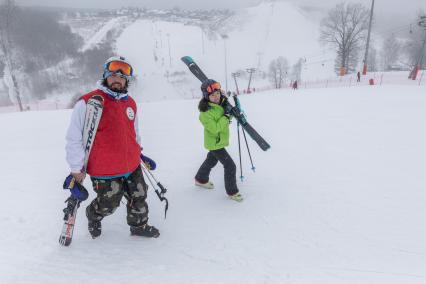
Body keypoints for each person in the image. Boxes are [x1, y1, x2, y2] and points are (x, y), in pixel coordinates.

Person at [65, 56, 159, 239]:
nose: (118, 79)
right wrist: (76, 168)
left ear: (127, 80)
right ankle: (93, 215)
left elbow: (134, 132)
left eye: (122, 76)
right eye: (113, 75)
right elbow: (73, 138)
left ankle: (139, 226)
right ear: (106, 75)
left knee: (139, 196)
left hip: (132, 165)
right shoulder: (88, 102)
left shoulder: (130, 103)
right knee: (109, 203)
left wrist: (139, 153)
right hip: (104, 169)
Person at [194, 79, 243, 202]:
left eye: (217, 93)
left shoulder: (220, 104)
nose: (216, 97)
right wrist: (227, 116)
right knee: (230, 165)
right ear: (206, 97)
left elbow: (225, 114)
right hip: (215, 143)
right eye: (212, 95)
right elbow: (215, 128)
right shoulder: (205, 113)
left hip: (218, 141)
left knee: (211, 160)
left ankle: (200, 179)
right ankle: (232, 192)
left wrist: (232, 112)